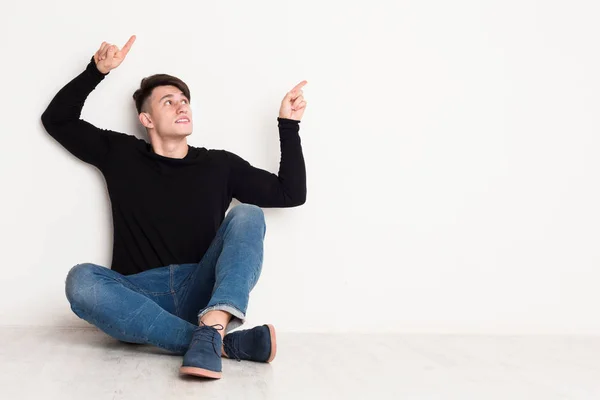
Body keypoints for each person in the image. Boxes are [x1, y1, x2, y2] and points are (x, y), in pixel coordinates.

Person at [40, 35, 307, 379]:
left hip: (200, 289)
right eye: (168, 102)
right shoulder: (120, 154)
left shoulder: (219, 165)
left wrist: (289, 124)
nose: (182, 106)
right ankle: (217, 342)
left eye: (184, 101)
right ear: (146, 120)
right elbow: (57, 121)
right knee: (81, 281)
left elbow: (290, 193)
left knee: (248, 213)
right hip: (138, 296)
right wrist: (96, 71)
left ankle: (211, 326)